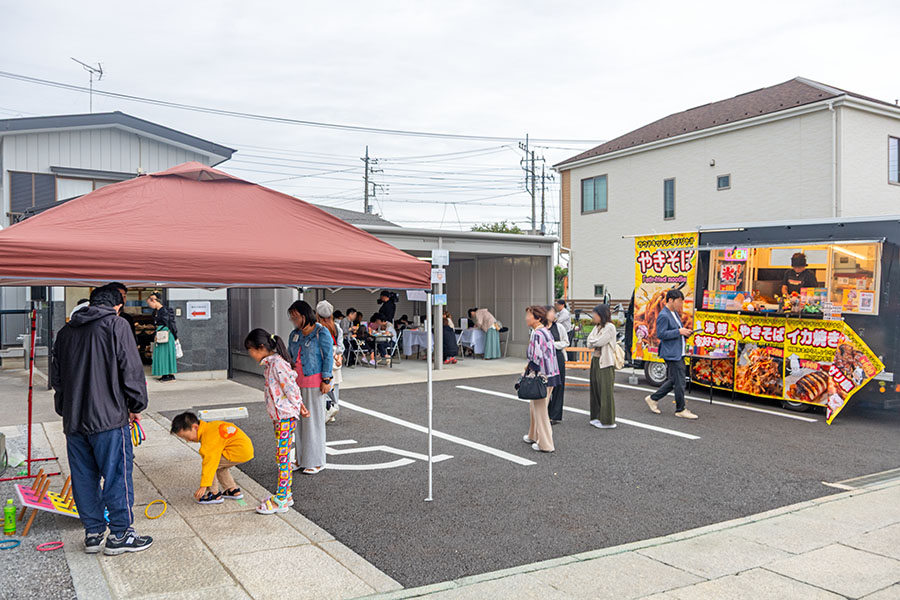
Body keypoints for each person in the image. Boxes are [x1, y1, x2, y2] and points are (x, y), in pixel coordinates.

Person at [51, 285, 152, 555]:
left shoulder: (64, 332)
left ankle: (93, 533)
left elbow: (56, 380)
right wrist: (136, 404)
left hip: (74, 420)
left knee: (83, 477)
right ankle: (120, 534)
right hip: (109, 418)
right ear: (118, 304)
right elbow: (131, 370)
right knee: (117, 475)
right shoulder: (116, 326)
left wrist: (66, 409)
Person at [244, 328, 310, 514]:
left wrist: (299, 405)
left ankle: (281, 498)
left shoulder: (277, 364)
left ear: (261, 347)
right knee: (281, 455)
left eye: (251, 350)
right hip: (280, 416)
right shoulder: (271, 364)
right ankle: (286, 494)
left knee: (283, 458)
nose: (250, 354)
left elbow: (291, 388)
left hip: (285, 417)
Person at [287, 300, 333, 475]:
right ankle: (300, 459)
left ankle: (316, 461)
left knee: (313, 423)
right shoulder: (294, 334)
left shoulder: (321, 332)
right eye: (291, 317)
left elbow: (328, 356)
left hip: (315, 382)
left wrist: (327, 379)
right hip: (295, 384)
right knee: (298, 424)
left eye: (296, 317)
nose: (293, 320)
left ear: (305, 315)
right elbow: (290, 356)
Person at [170, 411, 254, 504]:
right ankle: (232, 490)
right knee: (220, 467)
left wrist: (204, 486)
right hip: (244, 449)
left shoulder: (208, 438)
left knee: (212, 465)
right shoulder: (210, 427)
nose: (187, 440)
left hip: (237, 451)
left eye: (186, 437)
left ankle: (214, 494)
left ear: (195, 427)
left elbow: (209, 463)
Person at [645, 289, 699, 420]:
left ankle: (653, 398)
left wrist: (684, 332)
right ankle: (680, 409)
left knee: (675, 380)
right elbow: (661, 334)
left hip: (677, 351)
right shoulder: (664, 315)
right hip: (671, 353)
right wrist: (679, 332)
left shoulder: (674, 313)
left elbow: (675, 331)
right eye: (679, 301)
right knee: (680, 381)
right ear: (670, 300)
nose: (681, 304)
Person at [522, 305, 560, 453]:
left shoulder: (537, 334)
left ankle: (546, 444)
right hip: (551, 374)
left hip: (541, 376)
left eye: (529, 315)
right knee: (535, 407)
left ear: (537, 318)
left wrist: (528, 370)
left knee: (540, 411)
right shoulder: (546, 331)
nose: (526, 318)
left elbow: (535, 357)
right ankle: (533, 435)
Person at [586, 304, 617, 428]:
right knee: (595, 389)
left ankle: (608, 421)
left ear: (602, 315)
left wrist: (594, 340)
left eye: (595, 314)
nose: (593, 316)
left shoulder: (610, 327)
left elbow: (599, 342)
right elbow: (589, 343)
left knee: (605, 391)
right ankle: (597, 416)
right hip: (596, 360)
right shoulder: (597, 327)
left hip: (606, 362)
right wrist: (595, 340)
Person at [316, 300, 343, 423]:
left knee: (323, 387)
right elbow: (340, 347)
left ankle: (329, 408)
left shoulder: (317, 327)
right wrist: (338, 356)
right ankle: (333, 410)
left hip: (322, 361)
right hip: (335, 360)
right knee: (334, 387)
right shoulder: (336, 327)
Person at [147, 292, 178, 382]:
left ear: (154, 301)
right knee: (162, 355)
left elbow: (170, 324)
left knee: (165, 355)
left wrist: (175, 335)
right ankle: (165, 374)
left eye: (150, 303)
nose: (149, 305)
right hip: (161, 334)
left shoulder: (164, 310)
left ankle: (169, 375)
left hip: (166, 335)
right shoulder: (157, 311)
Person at [545, 306, 568, 424]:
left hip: (558, 357)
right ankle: (545, 413)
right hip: (545, 359)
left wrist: (552, 345)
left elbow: (566, 342)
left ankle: (555, 415)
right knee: (545, 386)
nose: (554, 315)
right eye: (552, 312)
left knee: (558, 386)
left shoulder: (559, 327)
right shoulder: (540, 328)